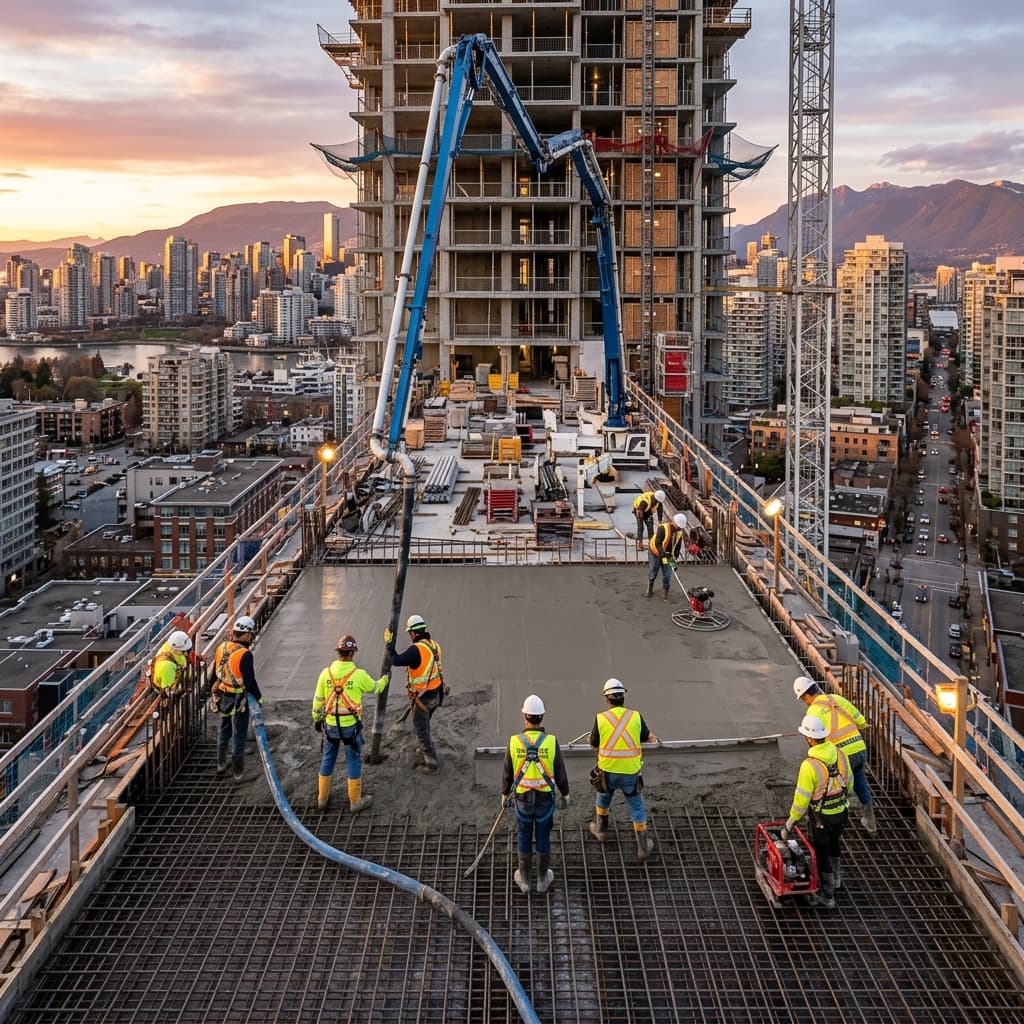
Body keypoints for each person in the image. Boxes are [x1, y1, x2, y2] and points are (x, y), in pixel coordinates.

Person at [782, 714, 853, 910]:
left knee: (821, 854)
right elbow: (850, 782)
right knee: (835, 844)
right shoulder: (840, 754)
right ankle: (837, 881)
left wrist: (791, 821)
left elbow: (801, 799)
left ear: (810, 739)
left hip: (822, 818)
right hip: (842, 812)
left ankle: (828, 895)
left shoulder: (810, 765)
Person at [501, 694, 570, 895]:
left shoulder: (514, 741)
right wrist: (565, 794)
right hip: (544, 800)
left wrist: (505, 794)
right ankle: (541, 880)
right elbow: (560, 772)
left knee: (523, 835)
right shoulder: (551, 741)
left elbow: (507, 771)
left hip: (522, 801)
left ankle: (524, 880)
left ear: (525, 715)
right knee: (543, 836)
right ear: (542, 717)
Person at [311, 634, 389, 812]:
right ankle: (355, 802)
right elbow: (376, 687)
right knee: (353, 760)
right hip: (350, 729)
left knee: (328, 759)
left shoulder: (325, 674)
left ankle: (322, 800)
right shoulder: (359, 675)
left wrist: (317, 720)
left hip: (330, 726)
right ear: (352, 654)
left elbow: (317, 701)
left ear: (338, 653)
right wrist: (385, 678)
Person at [793, 675, 876, 833]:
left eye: (804, 699)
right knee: (860, 783)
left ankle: (836, 823)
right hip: (859, 748)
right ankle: (870, 823)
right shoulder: (836, 698)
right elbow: (860, 720)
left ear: (806, 696)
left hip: (843, 756)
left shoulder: (813, 712)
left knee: (831, 787)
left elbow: (816, 740)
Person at [588, 677, 658, 862]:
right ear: (623, 697)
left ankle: (601, 831)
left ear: (607, 699)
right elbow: (647, 737)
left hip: (607, 772)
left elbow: (594, 743)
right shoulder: (635, 716)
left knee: (603, 798)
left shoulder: (600, 718)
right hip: (630, 772)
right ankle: (643, 848)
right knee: (636, 806)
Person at [385, 613, 445, 773]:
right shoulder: (434, 645)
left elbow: (395, 660)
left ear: (412, 633)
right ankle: (424, 747)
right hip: (437, 695)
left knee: (420, 728)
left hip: (423, 699)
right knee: (425, 723)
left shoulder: (416, 650)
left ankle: (431, 762)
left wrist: (389, 645)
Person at [211, 615, 263, 782]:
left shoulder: (221, 647)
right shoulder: (244, 654)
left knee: (224, 729)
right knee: (239, 733)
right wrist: (259, 699)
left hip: (222, 696)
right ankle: (238, 773)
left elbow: (215, 674)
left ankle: (220, 765)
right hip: (238, 699)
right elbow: (249, 681)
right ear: (247, 635)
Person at [646, 512, 688, 600]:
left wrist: (674, 560)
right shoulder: (662, 528)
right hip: (655, 552)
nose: (679, 528)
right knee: (654, 570)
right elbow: (658, 543)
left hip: (668, 554)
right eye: (678, 526)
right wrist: (662, 555)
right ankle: (650, 588)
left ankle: (665, 591)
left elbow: (677, 547)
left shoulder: (679, 532)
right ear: (674, 522)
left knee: (667, 574)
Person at [150, 629, 192, 696]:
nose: (186, 654)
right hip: (168, 688)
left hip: (179, 677)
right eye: (185, 651)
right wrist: (182, 689)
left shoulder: (172, 647)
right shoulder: (166, 666)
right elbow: (169, 692)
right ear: (177, 650)